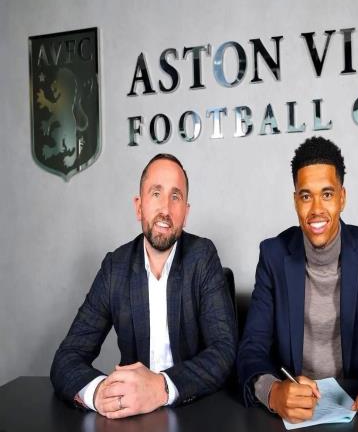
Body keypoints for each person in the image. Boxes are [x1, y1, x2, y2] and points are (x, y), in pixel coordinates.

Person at [237, 136, 358, 423]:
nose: (316, 208)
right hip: (297, 416)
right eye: (306, 196)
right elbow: (250, 351)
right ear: (295, 201)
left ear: (342, 197)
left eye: (327, 194)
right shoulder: (273, 256)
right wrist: (274, 392)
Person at [51, 153, 237, 419]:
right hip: (133, 416)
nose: (166, 209)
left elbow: (224, 351)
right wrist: (99, 393)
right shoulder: (115, 268)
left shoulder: (202, 256)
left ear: (186, 213)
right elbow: (67, 357)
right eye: (156, 193)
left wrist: (161, 387)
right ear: (139, 207)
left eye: (176, 196)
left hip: (192, 411)